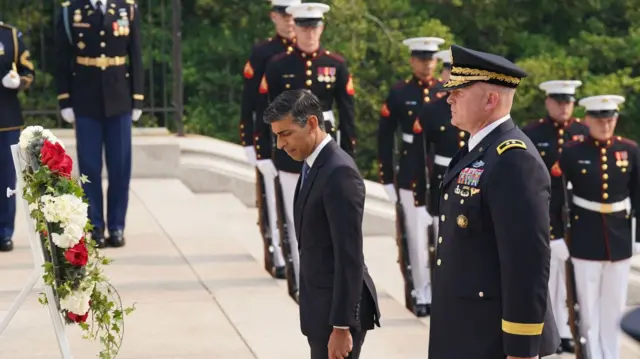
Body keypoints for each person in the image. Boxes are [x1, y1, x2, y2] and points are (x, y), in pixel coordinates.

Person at [428, 44, 560, 359]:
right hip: (463, 328)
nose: (450, 97)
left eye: (459, 90)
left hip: (493, 340)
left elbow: (527, 264)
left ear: (491, 99)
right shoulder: (476, 151)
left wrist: (521, 347)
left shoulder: (513, 160)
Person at [263, 89, 380, 359]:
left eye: (286, 134)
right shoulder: (313, 165)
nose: (280, 145)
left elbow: (349, 255)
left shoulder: (339, 172)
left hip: (336, 319)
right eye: (277, 136)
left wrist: (341, 326)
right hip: (321, 311)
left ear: (312, 123)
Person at [254, 2, 357, 301]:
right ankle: (301, 280)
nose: (309, 33)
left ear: (322, 28)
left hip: (325, 147)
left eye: (314, 27)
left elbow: (348, 113)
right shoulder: (277, 65)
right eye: (303, 27)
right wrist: (264, 151)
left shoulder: (336, 64)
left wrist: (349, 153)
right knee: (295, 216)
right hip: (289, 152)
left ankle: (330, 277)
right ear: (294, 28)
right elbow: (265, 110)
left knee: (328, 216)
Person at [54, 0, 144, 248]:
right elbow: (62, 58)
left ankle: (116, 226)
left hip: (119, 97)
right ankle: (96, 228)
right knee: (90, 169)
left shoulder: (128, 8)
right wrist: (65, 100)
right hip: (86, 98)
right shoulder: (70, 10)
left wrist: (137, 99)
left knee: (120, 167)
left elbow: (136, 54)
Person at [556, 94, 640, 359]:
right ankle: (591, 354)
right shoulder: (571, 151)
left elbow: (638, 194)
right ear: (588, 120)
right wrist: (556, 235)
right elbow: (556, 195)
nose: (606, 125)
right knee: (589, 310)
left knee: (614, 307)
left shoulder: (629, 150)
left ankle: (611, 355)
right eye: (600, 120)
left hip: (620, 237)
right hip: (585, 236)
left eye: (611, 119)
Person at [376, 36, 445, 317]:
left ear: (437, 62)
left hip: (441, 173)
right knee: (415, 239)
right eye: (421, 59)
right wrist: (388, 178)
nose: (426, 64)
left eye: (430, 60)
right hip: (411, 173)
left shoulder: (447, 92)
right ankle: (421, 292)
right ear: (412, 61)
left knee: (444, 239)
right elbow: (384, 138)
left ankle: (442, 293)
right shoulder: (399, 93)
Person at [521, 79, 589, 354]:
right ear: (548, 102)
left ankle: (570, 330)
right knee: (547, 278)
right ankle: (552, 331)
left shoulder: (584, 132)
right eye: (558, 102)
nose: (563, 107)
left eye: (568, 103)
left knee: (572, 279)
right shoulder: (533, 133)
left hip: (577, 214)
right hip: (544, 211)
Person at [240, 0, 300, 280]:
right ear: (273, 16)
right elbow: (251, 101)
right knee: (272, 198)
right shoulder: (264, 53)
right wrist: (251, 143)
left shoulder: (306, 55)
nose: (289, 21)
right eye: (284, 15)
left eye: (293, 16)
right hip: (271, 137)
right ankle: (276, 251)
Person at [0, 22, 35, 252]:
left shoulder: (9, 35)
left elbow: (28, 71)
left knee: (5, 180)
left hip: (5, 117)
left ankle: (4, 232)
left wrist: (18, 82)